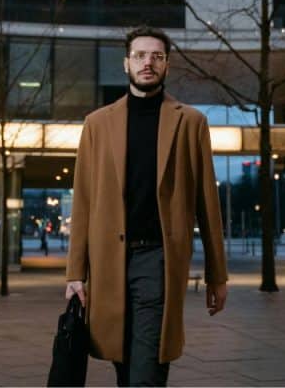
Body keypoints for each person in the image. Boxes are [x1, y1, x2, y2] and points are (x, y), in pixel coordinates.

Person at [65, 25, 228, 386]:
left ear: (167, 64)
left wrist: (217, 275)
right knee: (122, 361)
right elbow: (83, 201)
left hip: (158, 259)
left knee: (147, 367)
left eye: (157, 56)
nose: (148, 63)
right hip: (108, 261)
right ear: (126, 63)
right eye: (139, 55)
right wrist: (75, 272)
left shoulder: (191, 123)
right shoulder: (97, 124)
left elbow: (207, 203)